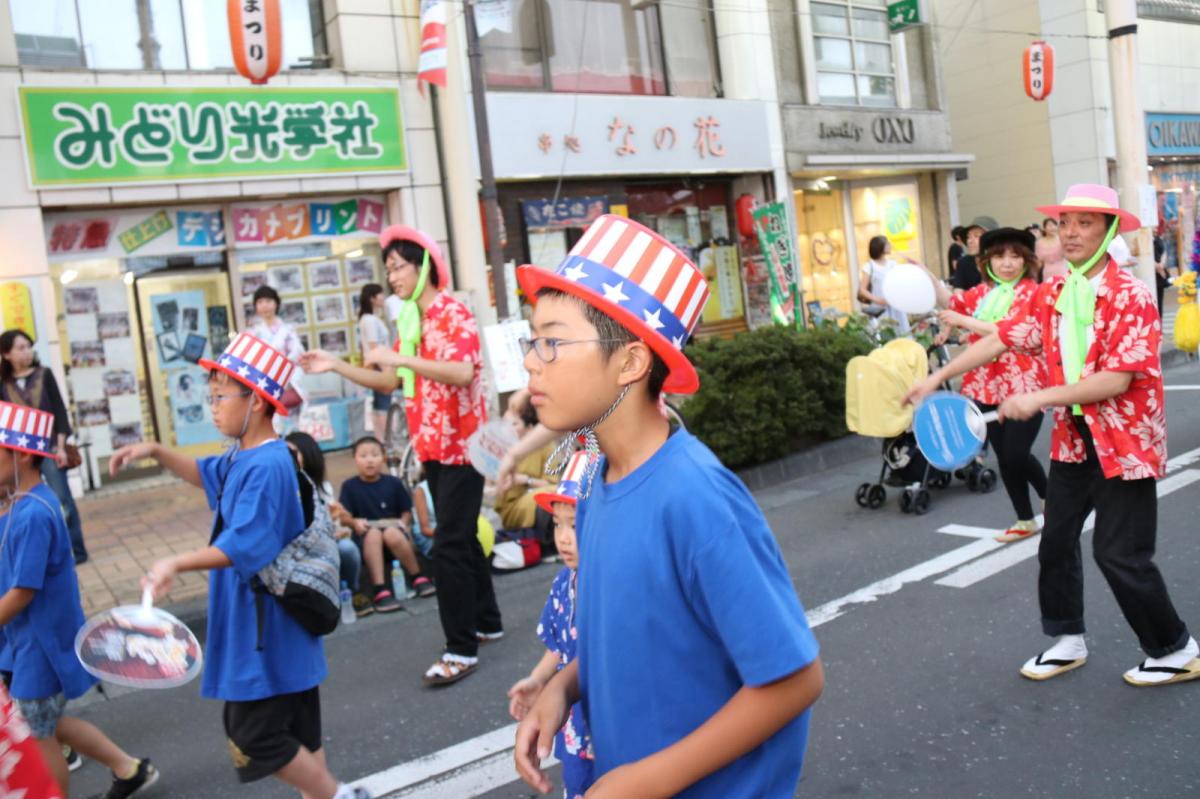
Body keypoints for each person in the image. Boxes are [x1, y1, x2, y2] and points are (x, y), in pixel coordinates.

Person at [512, 215, 824, 796]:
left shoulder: (695, 496)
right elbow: (628, 629)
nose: (531, 360)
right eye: (532, 341)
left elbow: (796, 679)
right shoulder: (599, 479)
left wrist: (643, 782)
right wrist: (562, 687)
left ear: (630, 363)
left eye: (552, 342)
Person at [905, 184, 1197, 687]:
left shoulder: (1131, 295)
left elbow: (1117, 379)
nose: (1072, 232)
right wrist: (934, 379)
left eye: (1086, 223)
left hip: (1123, 441)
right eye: (1066, 223)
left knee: (1118, 552)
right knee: (1056, 540)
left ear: (1108, 232)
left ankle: (1175, 648)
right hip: (1074, 437)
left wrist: (1038, 398)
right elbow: (1003, 336)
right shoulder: (1057, 291)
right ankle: (1066, 639)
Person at [109, 333, 368, 799]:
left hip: (264, 629)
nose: (212, 405)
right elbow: (203, 473)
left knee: (254, 735)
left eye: (220, 395)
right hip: (272, 624)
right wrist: (153, 450)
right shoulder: (243, 455)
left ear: (256, 400)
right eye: (209, 395)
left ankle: (339, 796)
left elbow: (247, 543)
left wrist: (176, 562)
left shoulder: (267, 464)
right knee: (300, 734)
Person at [300, 225, 500, 686]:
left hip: (465, 446)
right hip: (434, 444)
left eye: (398, 266)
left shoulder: (452, 311)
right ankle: (487, 621)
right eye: (387, 269)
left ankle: (460, 649)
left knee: (450, 542)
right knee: (463, 537)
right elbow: (389, 381)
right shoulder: (411, 319)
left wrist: (402, 360)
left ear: (424, 266)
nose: (391, 276)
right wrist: (337, 365)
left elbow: (461, 370)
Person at [0, 401, 158, 798]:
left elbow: (23, 591)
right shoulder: (20, 503)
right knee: (44, 722)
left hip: (40, 644)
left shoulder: (34, 512)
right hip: (27, 641)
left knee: (38, 734)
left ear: (20, 454)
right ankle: (128, 768)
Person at [929, 228, 1048, 542]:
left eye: (1015, 256)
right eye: (999, 256)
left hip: (1026, 385)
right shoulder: (982, 293)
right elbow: (951, 300)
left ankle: (1051, 498)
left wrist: (963, 321)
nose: (1007, 263)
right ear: (986, 261)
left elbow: (1004, 331)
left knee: (1016, 454)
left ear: (1027, 260)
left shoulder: (1033, 293)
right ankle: (1024, 519)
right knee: (1004, 457)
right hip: (985, 385)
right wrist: (925, 276)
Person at [507, 451, 594, 799]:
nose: (564, 536)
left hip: (615, 720)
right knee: (578, 785)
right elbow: (558, 646)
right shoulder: (563, 582)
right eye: (558, 524)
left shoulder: (615, 581)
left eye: (575, 523)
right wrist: (539, 679)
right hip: (572, 720)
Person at [0, 330, 86, 563]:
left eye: (28, 346)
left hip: (49, 447)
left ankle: (75, 550)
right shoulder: (3, 383)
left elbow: (58, 410)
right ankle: (32, 550)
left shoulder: (44, 374)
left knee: (62, 498)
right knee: (19, 499)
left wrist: (60, 447)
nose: (26, 352)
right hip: (18, 454)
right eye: (20, 347)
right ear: (6, 353)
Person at [337, 436, 434, 612]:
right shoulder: (349, 486)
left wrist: (404, 523)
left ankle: (417, 576)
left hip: (394, 538)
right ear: (355, 459)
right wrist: (354, 523)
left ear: (383, 457)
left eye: (374, 455)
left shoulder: (393, 483)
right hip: (367, 542)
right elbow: (344, 517)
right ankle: (379, 589)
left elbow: (406, 511)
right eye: (363, 455)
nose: (369, 460)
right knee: (373, 533)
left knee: (391, 532)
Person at [285, 431, 362, 610]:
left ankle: (350, 593)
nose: (286, 459)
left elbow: (335, 525)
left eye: (293, 453)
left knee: (347, 548)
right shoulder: (284, 487)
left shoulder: (322, 488)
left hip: (324, 546)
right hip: (297, 552)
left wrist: (341, 520)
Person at [494, 389, 557, 550]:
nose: (508, 429)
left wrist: (524, 480)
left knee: (554, 492)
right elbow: (495, 494)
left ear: (529, 426)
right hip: (513, 508)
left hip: (541, 495)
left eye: (514, 423)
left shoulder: (546, 445)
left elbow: (554, 483)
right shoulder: (501, 450)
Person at [249, 286, 306, 426]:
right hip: (266, 383)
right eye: (260, 302)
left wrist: (283, 366)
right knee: (271, 423)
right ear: (256, 306)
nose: (264, 306)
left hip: (289, 383)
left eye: (268, 301)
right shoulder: (254, 333)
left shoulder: (288, 329)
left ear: (276, 303)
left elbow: (298, 353)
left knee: (294, 425)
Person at [358, 284, 393, 441]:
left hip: (378, 366)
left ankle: (383, 439)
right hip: (380, 367)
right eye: (380, 294)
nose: (383, 298)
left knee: (380, 405)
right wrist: (387, 369)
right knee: (382, 406)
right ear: (372, 298)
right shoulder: (370, 320)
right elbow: (374, 347)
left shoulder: (369, 319)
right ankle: (384, 439)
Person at [857, 235, 912, 334]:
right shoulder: (869, 266)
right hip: (880, 309)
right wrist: (878, 300)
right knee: (884, 334)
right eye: (887, 244)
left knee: (901, 334)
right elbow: (862, 290)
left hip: (896, 307)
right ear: (880, 247)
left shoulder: (893, 264)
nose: (890, 246)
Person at [951, 216, 999, 292]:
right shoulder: (964, 263)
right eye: (968, 237)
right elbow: (958, 295)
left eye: (976, 236)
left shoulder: (1001, 263)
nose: (970, 241)